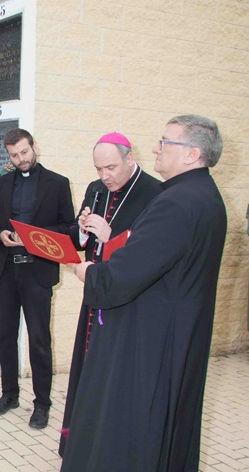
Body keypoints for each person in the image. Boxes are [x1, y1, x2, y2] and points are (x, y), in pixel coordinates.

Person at [62, 115, 227, 471]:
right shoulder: (204, 195)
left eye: (165, 142)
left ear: (191, 154)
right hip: (179, 329)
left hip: (152, 336)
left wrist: (89, 271)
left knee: (132, 424)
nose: (156, 147)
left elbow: (123, 276)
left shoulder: (176, 202)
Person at [58, 132, 161, 455]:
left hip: (127, 300)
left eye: (111, 168)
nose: (105, 177)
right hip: (95, 293)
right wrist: (85, 231)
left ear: (130, 158)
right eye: (99, 168)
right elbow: (78, 238)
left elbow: (152, 252)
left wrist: (111, 233)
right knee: (88, 366)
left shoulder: (155, 193)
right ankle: (82, 440)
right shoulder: (95, 188)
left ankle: (110, 445)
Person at [0, 128, 75, 429]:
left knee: (39, 339)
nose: (20, 159)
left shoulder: (58, 183)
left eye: (24, 152)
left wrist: (38, 238)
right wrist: (1, 235)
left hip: (38, 272)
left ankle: (42, 404)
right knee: (5, 336)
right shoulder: (1, 183)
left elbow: (67, 227)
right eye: (14, 155)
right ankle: (9, 395)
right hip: (5, 272)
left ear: (34, 147)